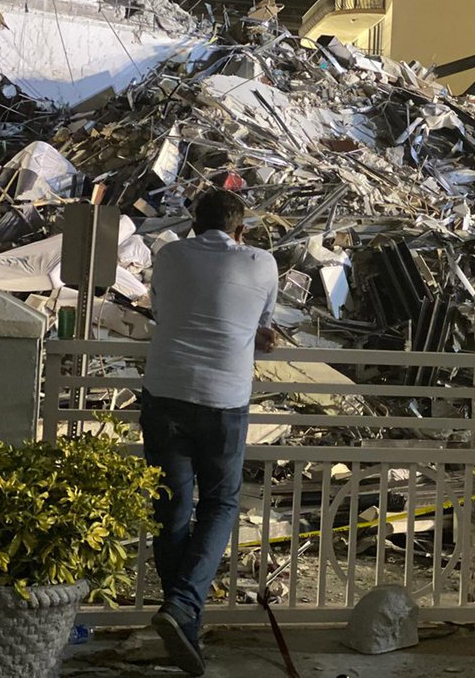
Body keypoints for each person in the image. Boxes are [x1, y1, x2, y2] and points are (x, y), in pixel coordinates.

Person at [141, 190, 279, 676]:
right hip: (223, 401)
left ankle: (182, 618)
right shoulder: (263, 263)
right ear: (240, 231)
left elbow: (161, 312)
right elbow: (264, 327)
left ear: (193, 224)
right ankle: (181, 609)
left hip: (164, 393)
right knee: (220, 503)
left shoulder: (169, 254)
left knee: (172, 506)